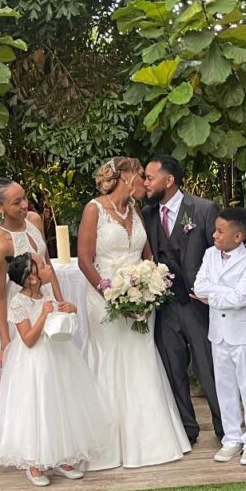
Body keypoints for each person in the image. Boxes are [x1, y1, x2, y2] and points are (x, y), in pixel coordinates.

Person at [77, 156, 192, 468]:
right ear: (125, 176)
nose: (145, 180)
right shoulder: (95, 209)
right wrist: (109, 294)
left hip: (140, 297)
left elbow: (147, 255)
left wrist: (150, 287)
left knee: (141, 357)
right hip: (105, 299)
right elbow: (84, 260)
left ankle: (150, 441)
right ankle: (106, 445)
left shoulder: (136, 210)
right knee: (111, 358)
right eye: (141, 175)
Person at [0, 254, 115, 485]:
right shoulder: (18, 303)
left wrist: (70, 308)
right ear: (32, 278)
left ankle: (62, 456)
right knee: (38, 406)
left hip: (57, 355)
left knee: (60, 403)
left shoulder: (45, 294)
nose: (49, 267)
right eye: (43, 266)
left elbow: (58, 323)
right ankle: (35, 462)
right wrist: (44, 314)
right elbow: (28, 339)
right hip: (34, 362)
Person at [142, 156, 222, 445]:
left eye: (150, 177)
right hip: (164, 306)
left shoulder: (203, 209)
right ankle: (186, 429)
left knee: (208, 367)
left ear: (169, 179)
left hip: (197, 305)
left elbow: (220, 254)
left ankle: (224, 427)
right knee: (173, 369)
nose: (145, 183)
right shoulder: (147, 213)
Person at [193, 208, 246, 466]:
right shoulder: (210, 254)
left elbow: (241, 297)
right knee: (225, 388)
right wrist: (226, 293)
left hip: (243, 334)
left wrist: (213, 296)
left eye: (220, 231)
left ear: (238, 236)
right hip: (218, 333)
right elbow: (199, 286)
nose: (214, 235)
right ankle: (232, 438)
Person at [0, 177, 68, 363]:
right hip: (21, 306)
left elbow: (48, 266)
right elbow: (0, 296)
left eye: (24, 197)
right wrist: (5, 341)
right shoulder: (2, 242)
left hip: (44, 295)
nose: (25, 205)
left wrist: (60, 301)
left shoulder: (34, 220)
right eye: (17, 202)